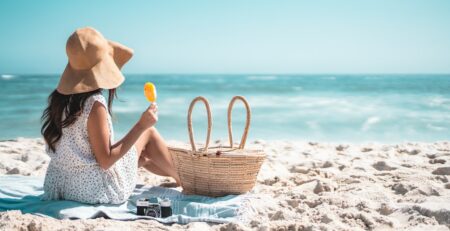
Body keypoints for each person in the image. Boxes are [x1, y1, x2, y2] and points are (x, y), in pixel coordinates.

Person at [40, 27, 180, 204]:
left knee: (142, 156)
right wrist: (141, 125)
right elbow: (105, 161)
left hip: (59, 187)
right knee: (148, 133)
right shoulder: (93, 103)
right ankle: (184, 180)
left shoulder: (59, 98)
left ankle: (164, 172)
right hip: (93, 190)